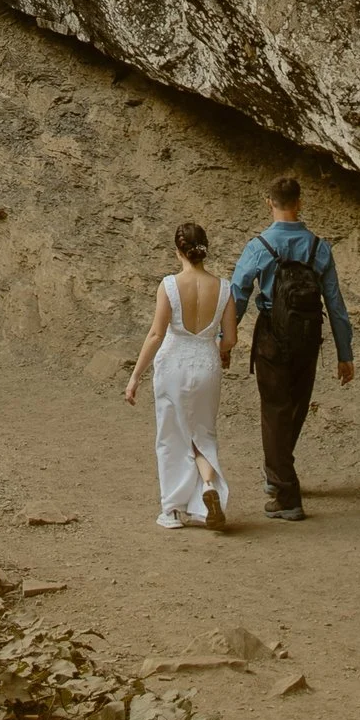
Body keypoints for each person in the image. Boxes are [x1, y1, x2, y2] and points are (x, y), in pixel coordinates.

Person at [228, 173, 354, 522]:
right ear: (300, 202)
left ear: (269, 202)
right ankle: (279, 474)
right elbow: (336, 304)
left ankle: (286, 495)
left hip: (271, 335)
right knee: (295, 407)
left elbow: (238, 294)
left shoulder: (258, 247)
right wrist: (345, 354)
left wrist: (227, 339)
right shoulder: (319, 248)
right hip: (308, 337)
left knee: (274, 411)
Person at [123, 215, 236, 531]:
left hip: (173, 365)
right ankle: (208, 488)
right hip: (206, 365)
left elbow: (156, 335)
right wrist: (221, 352)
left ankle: (172, 510)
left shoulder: (170, 285)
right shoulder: (224, 288)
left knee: (172, 436)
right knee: (202, 434)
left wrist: (135, 377)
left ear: (179, 251)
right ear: (204, 251)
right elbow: (231, 338)